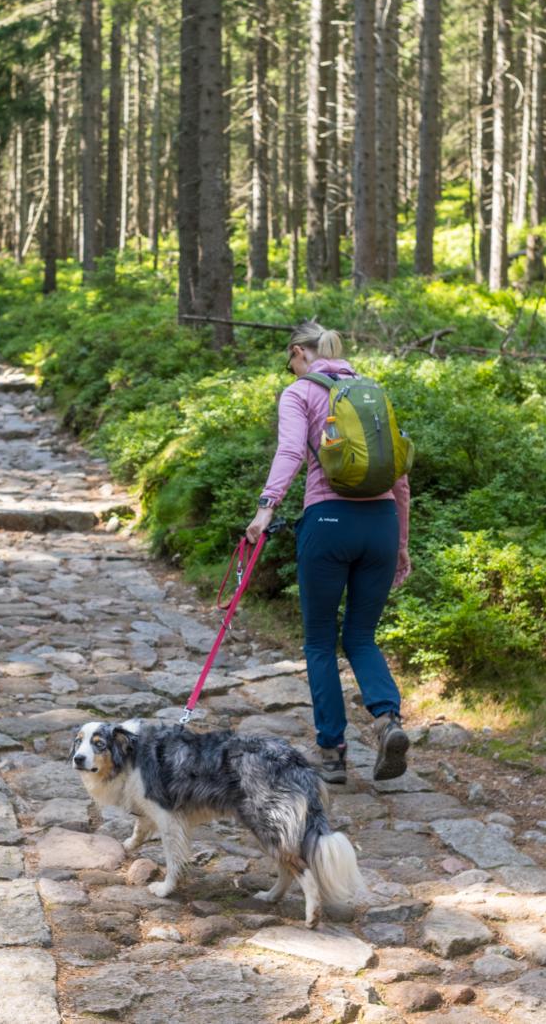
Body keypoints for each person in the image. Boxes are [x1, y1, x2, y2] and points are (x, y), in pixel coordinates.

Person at [245, 320, 411, 787]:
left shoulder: (300, 391)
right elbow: (400, 477)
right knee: (361, 636)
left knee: (319, 640)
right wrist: (400, 544)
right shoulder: (371, 390)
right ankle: (386, 721)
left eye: (289, 360)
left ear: (299, 352)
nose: (290, 367)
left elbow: (291, 452)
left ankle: (333, 754)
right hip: (380, 525)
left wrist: (265, 509)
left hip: (328, 523)